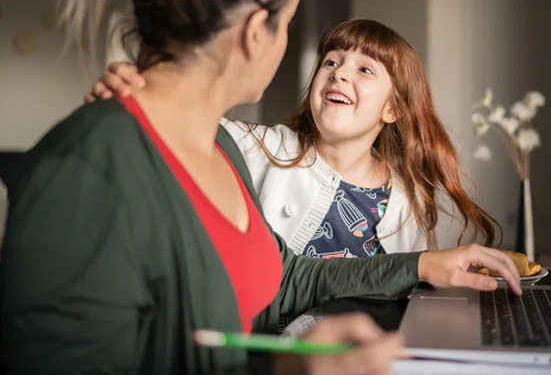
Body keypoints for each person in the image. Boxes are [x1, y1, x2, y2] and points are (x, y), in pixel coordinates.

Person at [0, 0, 521, 375]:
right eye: (289, 23)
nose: (338, 72)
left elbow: (286, 277)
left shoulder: (219, 147)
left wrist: (421, 264)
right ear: (255, 33)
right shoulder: (86, 170)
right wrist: (281, 373)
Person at [88, 19, 501, 259]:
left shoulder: (410, 199)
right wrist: (136, 94)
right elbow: (182, 124)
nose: (340, 72)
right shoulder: (262, 149)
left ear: (392, 110)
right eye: (332, 62)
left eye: (365, 69)